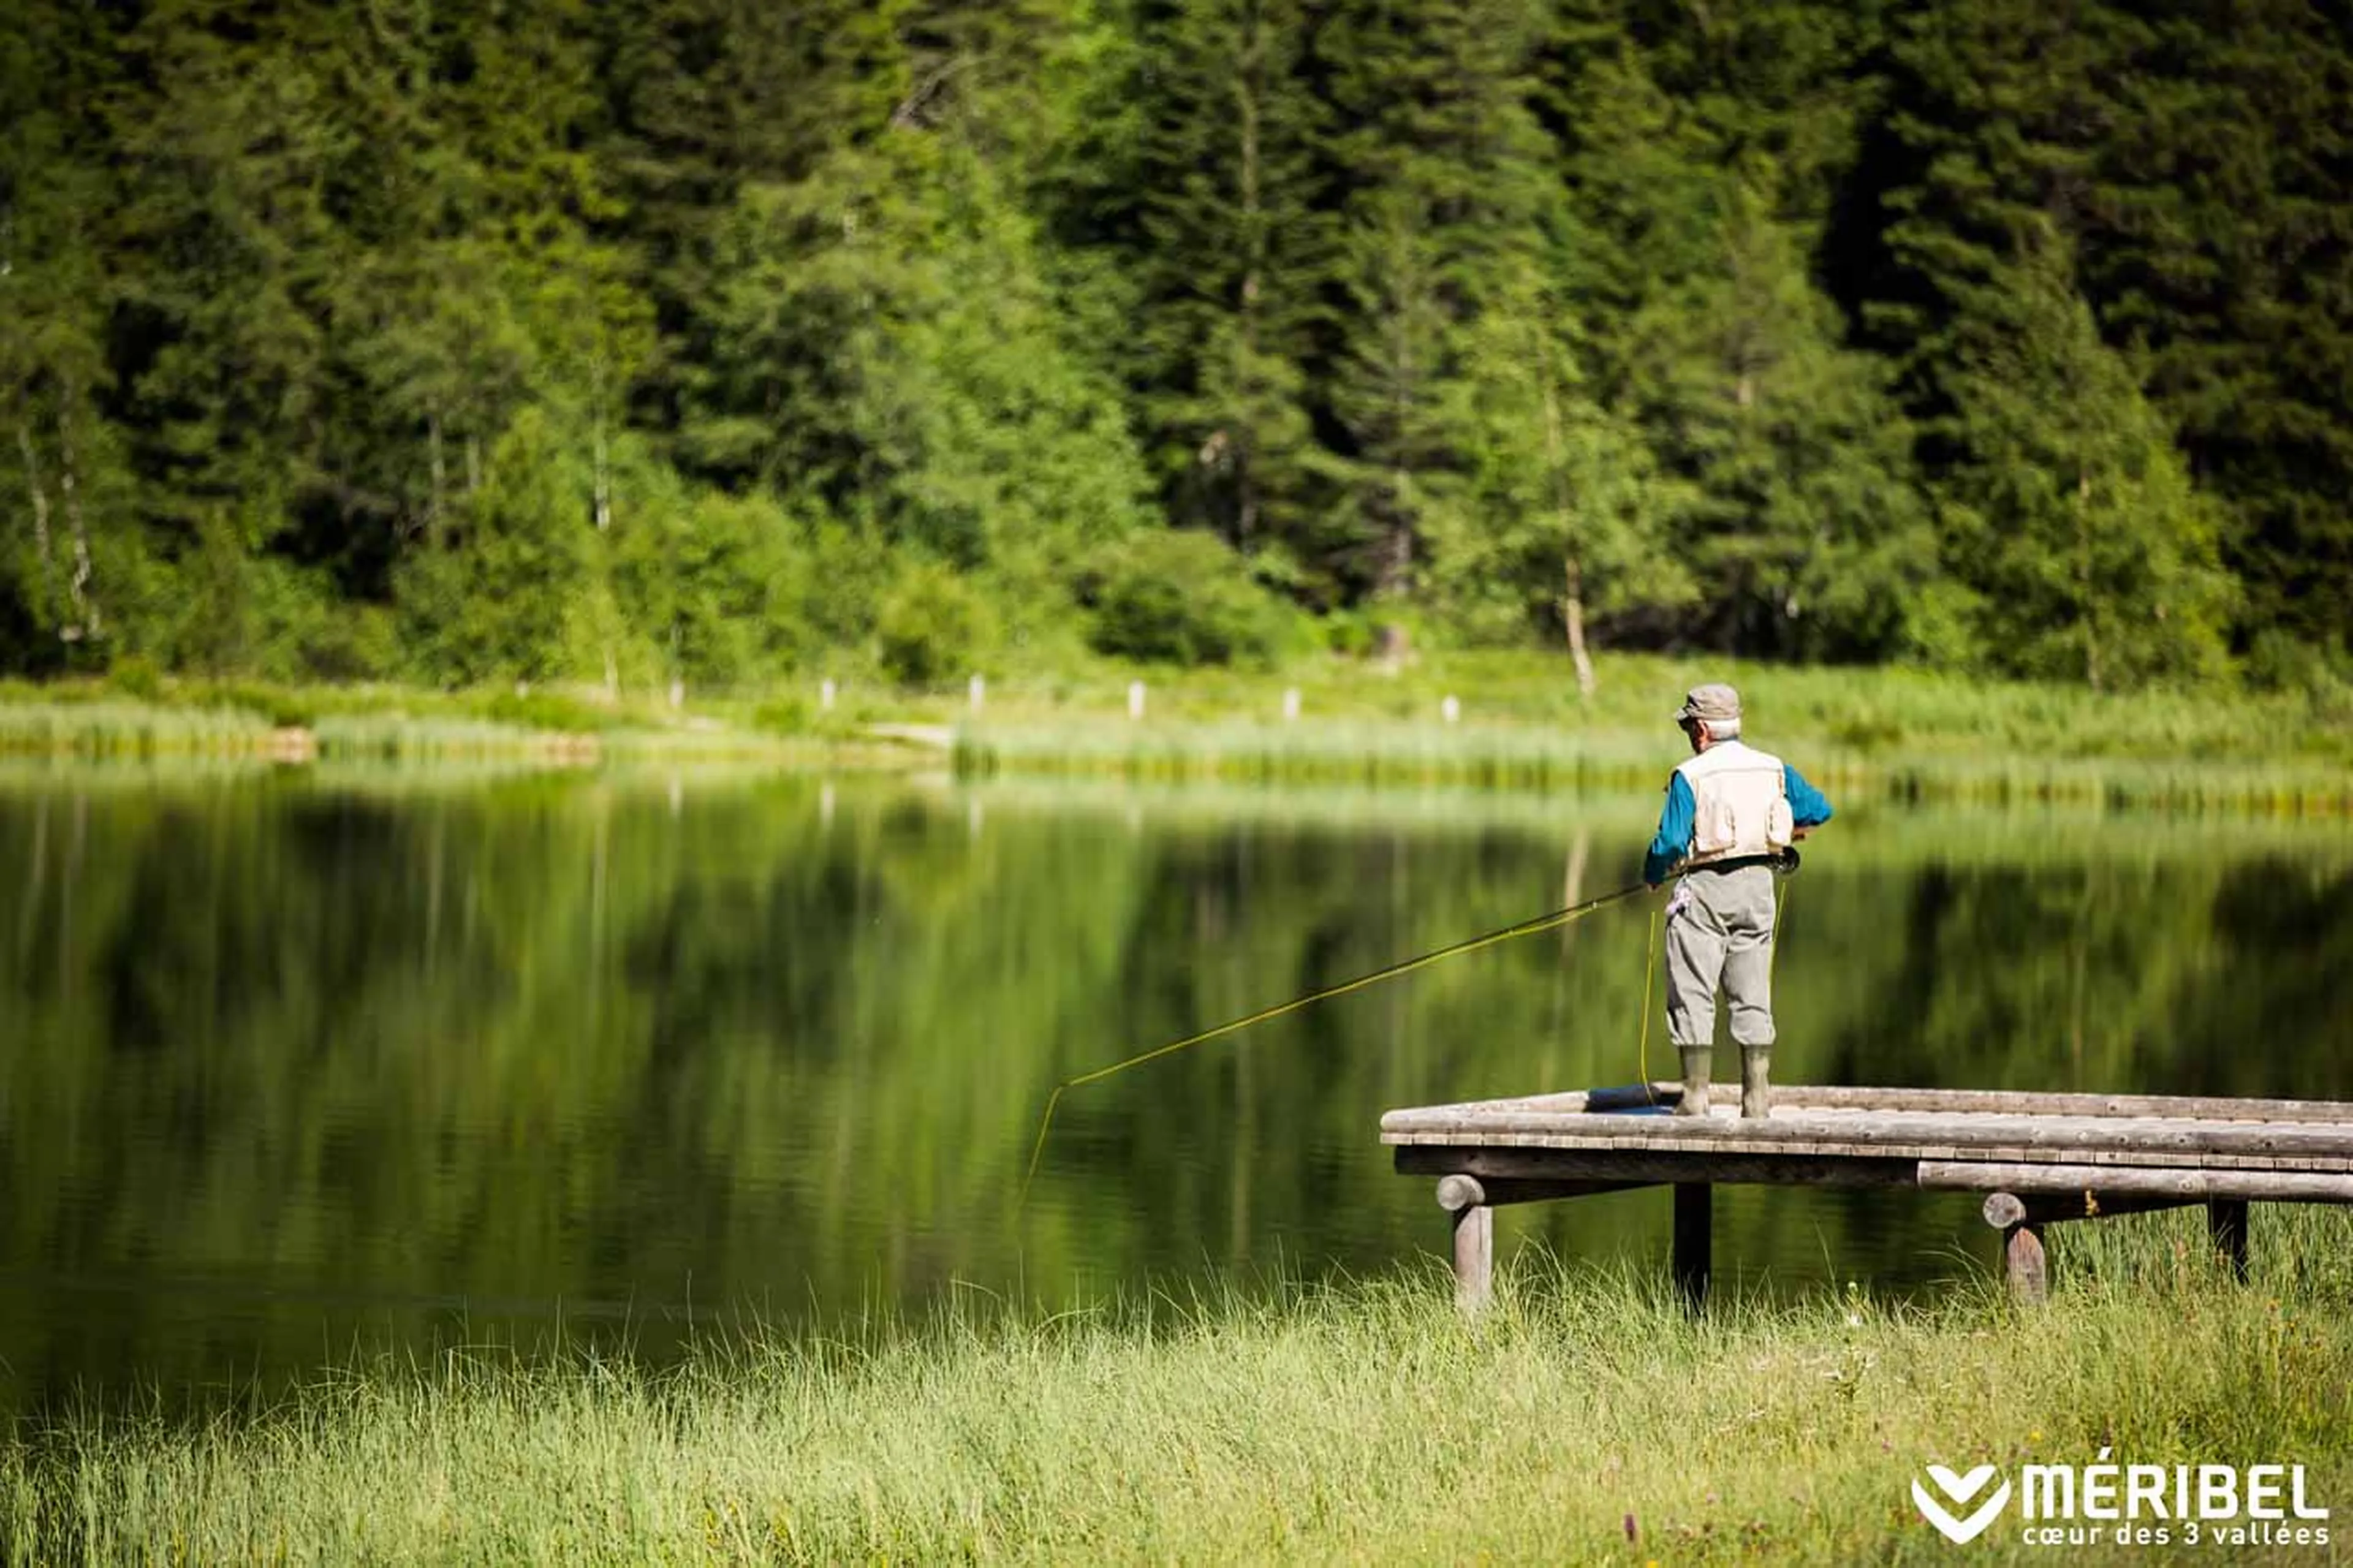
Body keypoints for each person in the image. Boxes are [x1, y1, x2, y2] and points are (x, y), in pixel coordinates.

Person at [1642, 684, 1833, 1119]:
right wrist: (1786, 830)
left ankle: (1694, 1099)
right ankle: (1757, 1101)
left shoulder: (1690, 774)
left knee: (1692, 990)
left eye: (1689, 724)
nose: (1688, 732)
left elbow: (1670, 841)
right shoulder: (1774, 768)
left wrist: (1653, 875)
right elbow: (1819, 810)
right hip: (1758, 892)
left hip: (1705, 892)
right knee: (1752, 993)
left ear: (1704, 728)